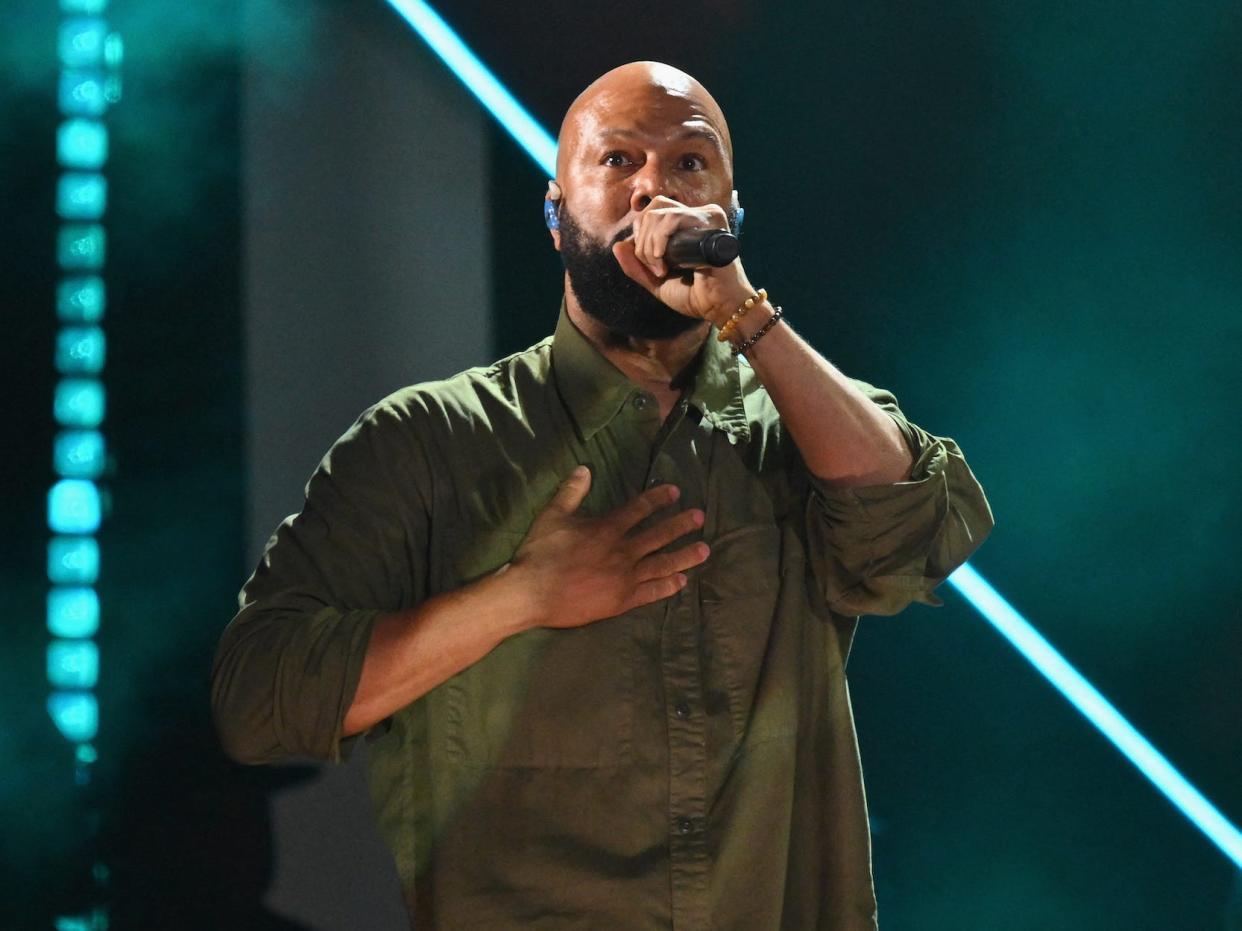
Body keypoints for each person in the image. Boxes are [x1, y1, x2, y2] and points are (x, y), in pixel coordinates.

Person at [212, 61, 994, 930]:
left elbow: (917, 527)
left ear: (731, 218)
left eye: (690, 163)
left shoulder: (797, 422)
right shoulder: (427, 442)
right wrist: (519, 597)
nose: (654, 187)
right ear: (555, 214)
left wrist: (747, 315)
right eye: (617, 161)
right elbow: (258, 701)